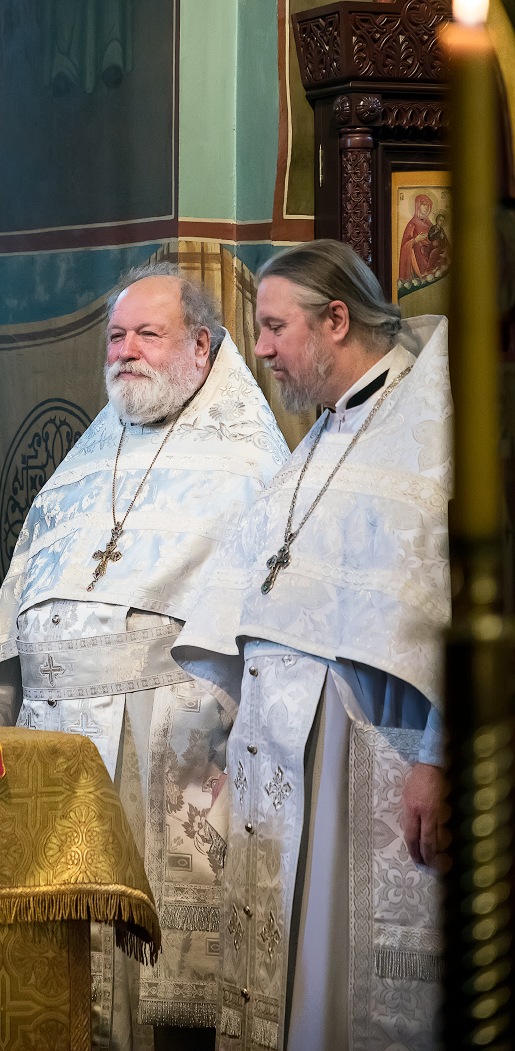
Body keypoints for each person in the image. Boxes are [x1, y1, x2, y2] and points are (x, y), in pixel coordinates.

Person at [0, 263, 288, 1050]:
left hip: (165, 747)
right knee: (63, 970)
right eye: (116, 335)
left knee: (155, 986)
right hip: (56, 741)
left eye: (149, 333)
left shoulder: (247, 466)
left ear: (202, 348)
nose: (126, 351)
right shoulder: (82, 464)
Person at [172, 240, 449, 1051]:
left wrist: (440, 755)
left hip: (364, 761)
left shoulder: (431, 426)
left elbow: (462, 606)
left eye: (271, 327)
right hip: (279, 763)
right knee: (289, 978)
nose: (257, 349)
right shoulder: (328, 428)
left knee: (341, 980)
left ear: (336, 320)